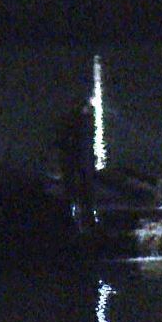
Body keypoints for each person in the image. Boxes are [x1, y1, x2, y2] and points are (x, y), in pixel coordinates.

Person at [55, 98, 96, 231]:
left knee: (79, 189)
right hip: (79, 159)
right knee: (80, 189)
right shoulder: (82, 122)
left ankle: (81, 216)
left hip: (78, 159)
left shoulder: (77, 122)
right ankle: (82, 216)